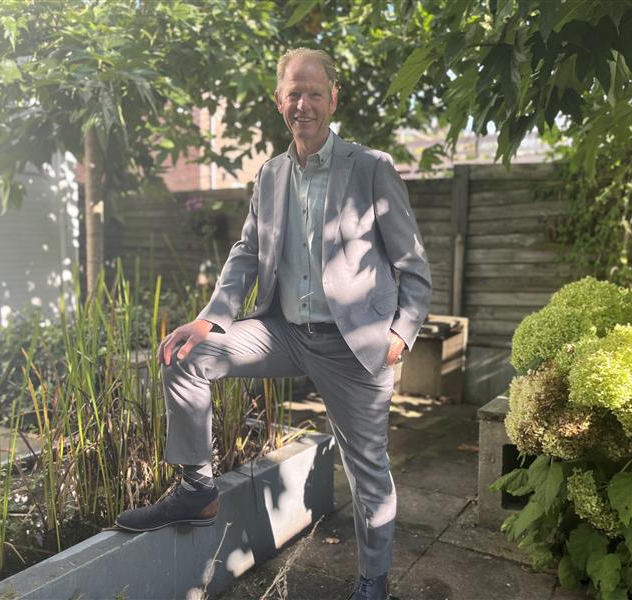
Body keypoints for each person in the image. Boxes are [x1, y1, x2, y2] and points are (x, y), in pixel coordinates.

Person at [115, 47, 431, 600]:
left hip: (353, 344)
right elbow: (246, 251)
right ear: (278, 99)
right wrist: (209, 320)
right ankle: (197, 487)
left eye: (314, 92)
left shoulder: (372, 168)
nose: (303, 103)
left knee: (368, 470)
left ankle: (373, 582)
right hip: (284, 331)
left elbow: (414, 267)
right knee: (184, 357)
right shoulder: (271, 174)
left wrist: (402, 333)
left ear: (334, 98)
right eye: (293, 92)